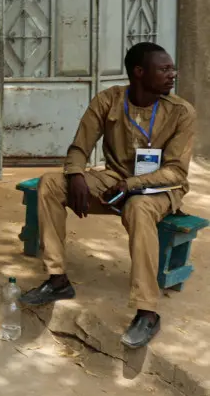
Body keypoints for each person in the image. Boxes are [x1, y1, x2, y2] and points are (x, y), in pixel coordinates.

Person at [21, 42, 193, 349]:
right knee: (50, 183)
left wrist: (132, 185)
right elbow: (79, 148)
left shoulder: (181, 113)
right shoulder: (108, 101)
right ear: (139, 73)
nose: (173, 74)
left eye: (172, 68)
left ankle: (147, 311)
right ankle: (57, 279)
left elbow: (176, 172)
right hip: (114, 178)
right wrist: (75, 175)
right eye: (164, 69)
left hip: (160, 188)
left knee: (139, 208)